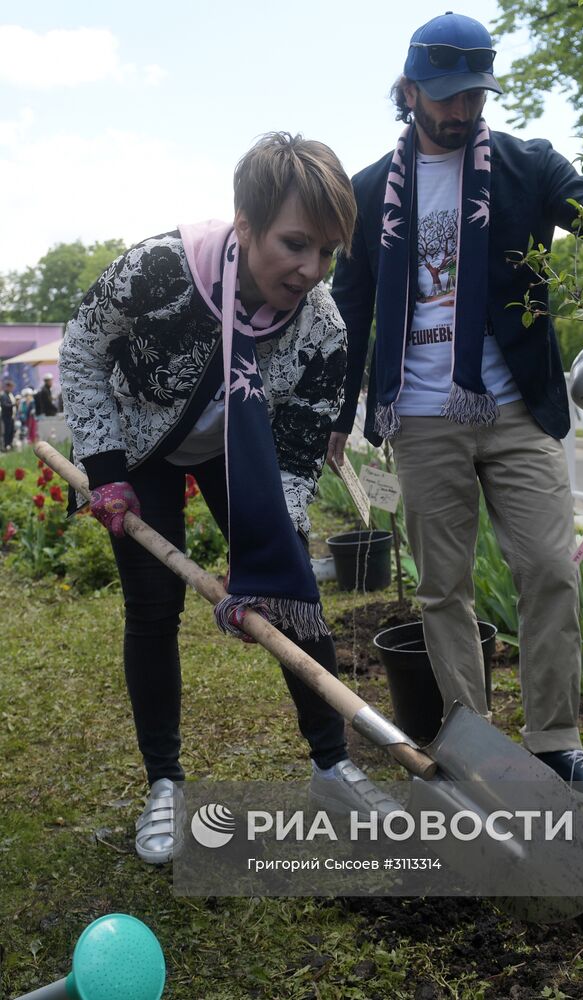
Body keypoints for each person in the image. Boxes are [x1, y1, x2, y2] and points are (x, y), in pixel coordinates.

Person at [327, 12, 583, 805]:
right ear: (408, 91)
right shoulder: (369, 191)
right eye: (444, 96)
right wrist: (337, 414)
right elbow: (350, 308)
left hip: (516, 408)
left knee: (547, 571)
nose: (460, 111)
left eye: (474, 95)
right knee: (443, 588)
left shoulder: (524, 167)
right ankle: (474, 742)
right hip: (417, 415)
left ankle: (552, 745)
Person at [60, 132, 395, 865]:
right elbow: (81, 347)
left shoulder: (323, 331)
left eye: (328, 251)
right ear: (244, 225)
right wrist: (106, 467)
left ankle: (333, 765)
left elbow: (298, 461)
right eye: (296, 243)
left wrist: (259, 574)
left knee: (291, 587)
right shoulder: (159, 270)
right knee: (152, 607)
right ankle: (165, 785)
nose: (311, 270)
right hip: (140, 441)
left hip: (236, 451)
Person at [0, 379, 15, 451]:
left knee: (11, 431)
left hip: (11, 416)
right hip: (6, 417)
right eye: (10, 387)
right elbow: (4, 405)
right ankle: (5, 446)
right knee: (6, 431)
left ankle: (9, 444)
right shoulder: (3, 395)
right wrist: (13, 404)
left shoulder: (9, 395)